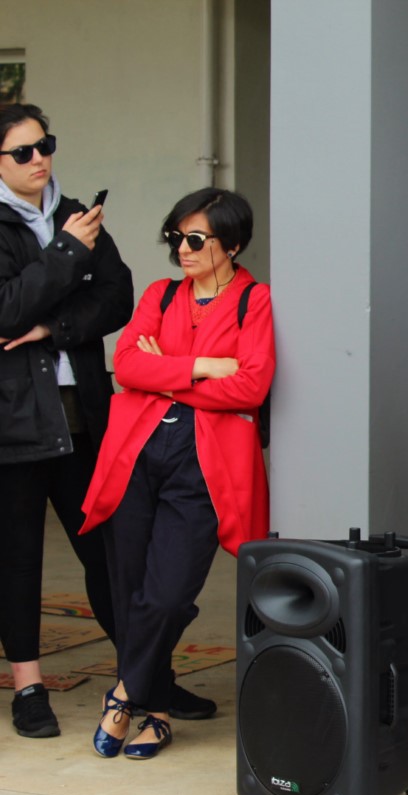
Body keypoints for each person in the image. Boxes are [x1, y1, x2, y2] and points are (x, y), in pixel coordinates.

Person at [81, 188, 273, 760]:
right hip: (136, 451)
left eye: (196, 239)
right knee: (129, 589)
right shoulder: (161, 294)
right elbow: (126, 366)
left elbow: (252, 385)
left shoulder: (253, 301)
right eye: (176, 237)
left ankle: (123, 695)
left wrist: (161, 373)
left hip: (204, 463)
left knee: (166, 596)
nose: (182, 249)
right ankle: (157, 714)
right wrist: (204, 368)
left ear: (231, 245)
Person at [0, 103, 132, 738]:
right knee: (19, 556)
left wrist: (53, 324)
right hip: (15, 420)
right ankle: (28, 688)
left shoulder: (76, 212)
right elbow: (3, 312)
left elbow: (118, 295)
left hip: (84, 415)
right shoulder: (56, 230)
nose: (39, 160)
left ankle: (144, 676)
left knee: (107, 550)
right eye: (22, 152)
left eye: (44, 145)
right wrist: (63, 254)